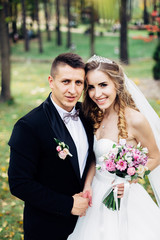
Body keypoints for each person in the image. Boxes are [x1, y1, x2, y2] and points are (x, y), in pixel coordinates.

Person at [67, 55, 160, 240]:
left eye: (103, 85)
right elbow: (96, 157)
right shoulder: (96, 115)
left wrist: (130, 180)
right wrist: (87, 185)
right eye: (91, 87)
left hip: (124, 196)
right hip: (96, 193)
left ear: (116, 84)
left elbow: (155, 156)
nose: (97, 93)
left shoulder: (135, 119)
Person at [8, 53, 95, 240]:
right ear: (51, 81)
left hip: (88, 223)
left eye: (78, 82)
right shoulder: (28, 126)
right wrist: (68, 204)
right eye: (66, 81)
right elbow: (19, 183)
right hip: (47, 227)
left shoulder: (88, 116)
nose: (73, 90)